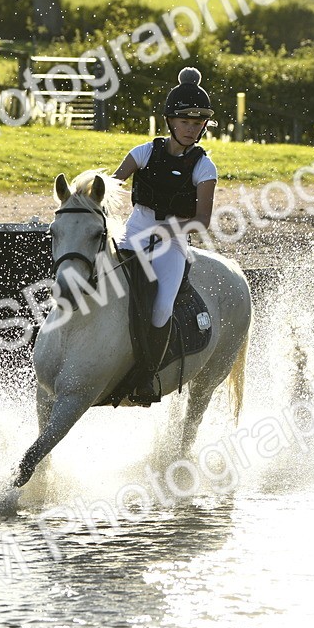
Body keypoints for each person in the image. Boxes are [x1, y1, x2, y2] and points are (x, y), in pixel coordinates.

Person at [111, 66, 218, 403]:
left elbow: (202, 220)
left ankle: (146, 376)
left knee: (160, 308)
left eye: (197, 122)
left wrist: (170, 229)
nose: (190, 128)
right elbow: (112, 188)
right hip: (132, 236)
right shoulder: (143, 152)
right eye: (185, 121)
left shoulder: (204, 167)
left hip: (171, 246)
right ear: (171, 121)